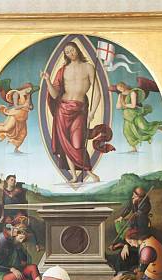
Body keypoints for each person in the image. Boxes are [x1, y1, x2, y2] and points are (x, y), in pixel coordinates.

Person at [42, 42, 100, 183]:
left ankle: (89, 172)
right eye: (67, 52)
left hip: (79, 109)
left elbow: (97, 92)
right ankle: (74, 175)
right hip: (63, 109)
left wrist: (92, 112)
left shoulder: (88, 67)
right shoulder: (63, 70)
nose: (70, 53)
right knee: (66, 143)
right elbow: (55, 95)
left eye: (72, 50)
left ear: (77, 50)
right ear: (65, 55)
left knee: (77, 143)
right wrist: (48, 80)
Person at [115, 81, 162, 152]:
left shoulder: (132, 93)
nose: (121, 89)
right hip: (127, 116)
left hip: (135, 114)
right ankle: (133, 148)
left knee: (144, 127)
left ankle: (158, 127)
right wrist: (121, 104)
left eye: (121, 87)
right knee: (127, 132)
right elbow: (117, 106)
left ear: (124, 85)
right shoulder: (120, 95)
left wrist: (124, 105)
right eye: (119, 89)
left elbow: (133, 105)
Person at [0, 84, 34, 153]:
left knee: (23, 133)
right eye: (29, 89)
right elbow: (16, 106)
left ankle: (16, 148)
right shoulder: (16, 94)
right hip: (16, 114)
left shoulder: (28, 95)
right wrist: (24, 105)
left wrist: (29, 106)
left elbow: (31, 106)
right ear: (26, 87)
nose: (30, 90)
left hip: (23, 116)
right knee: (7, 128)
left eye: (30, 89)